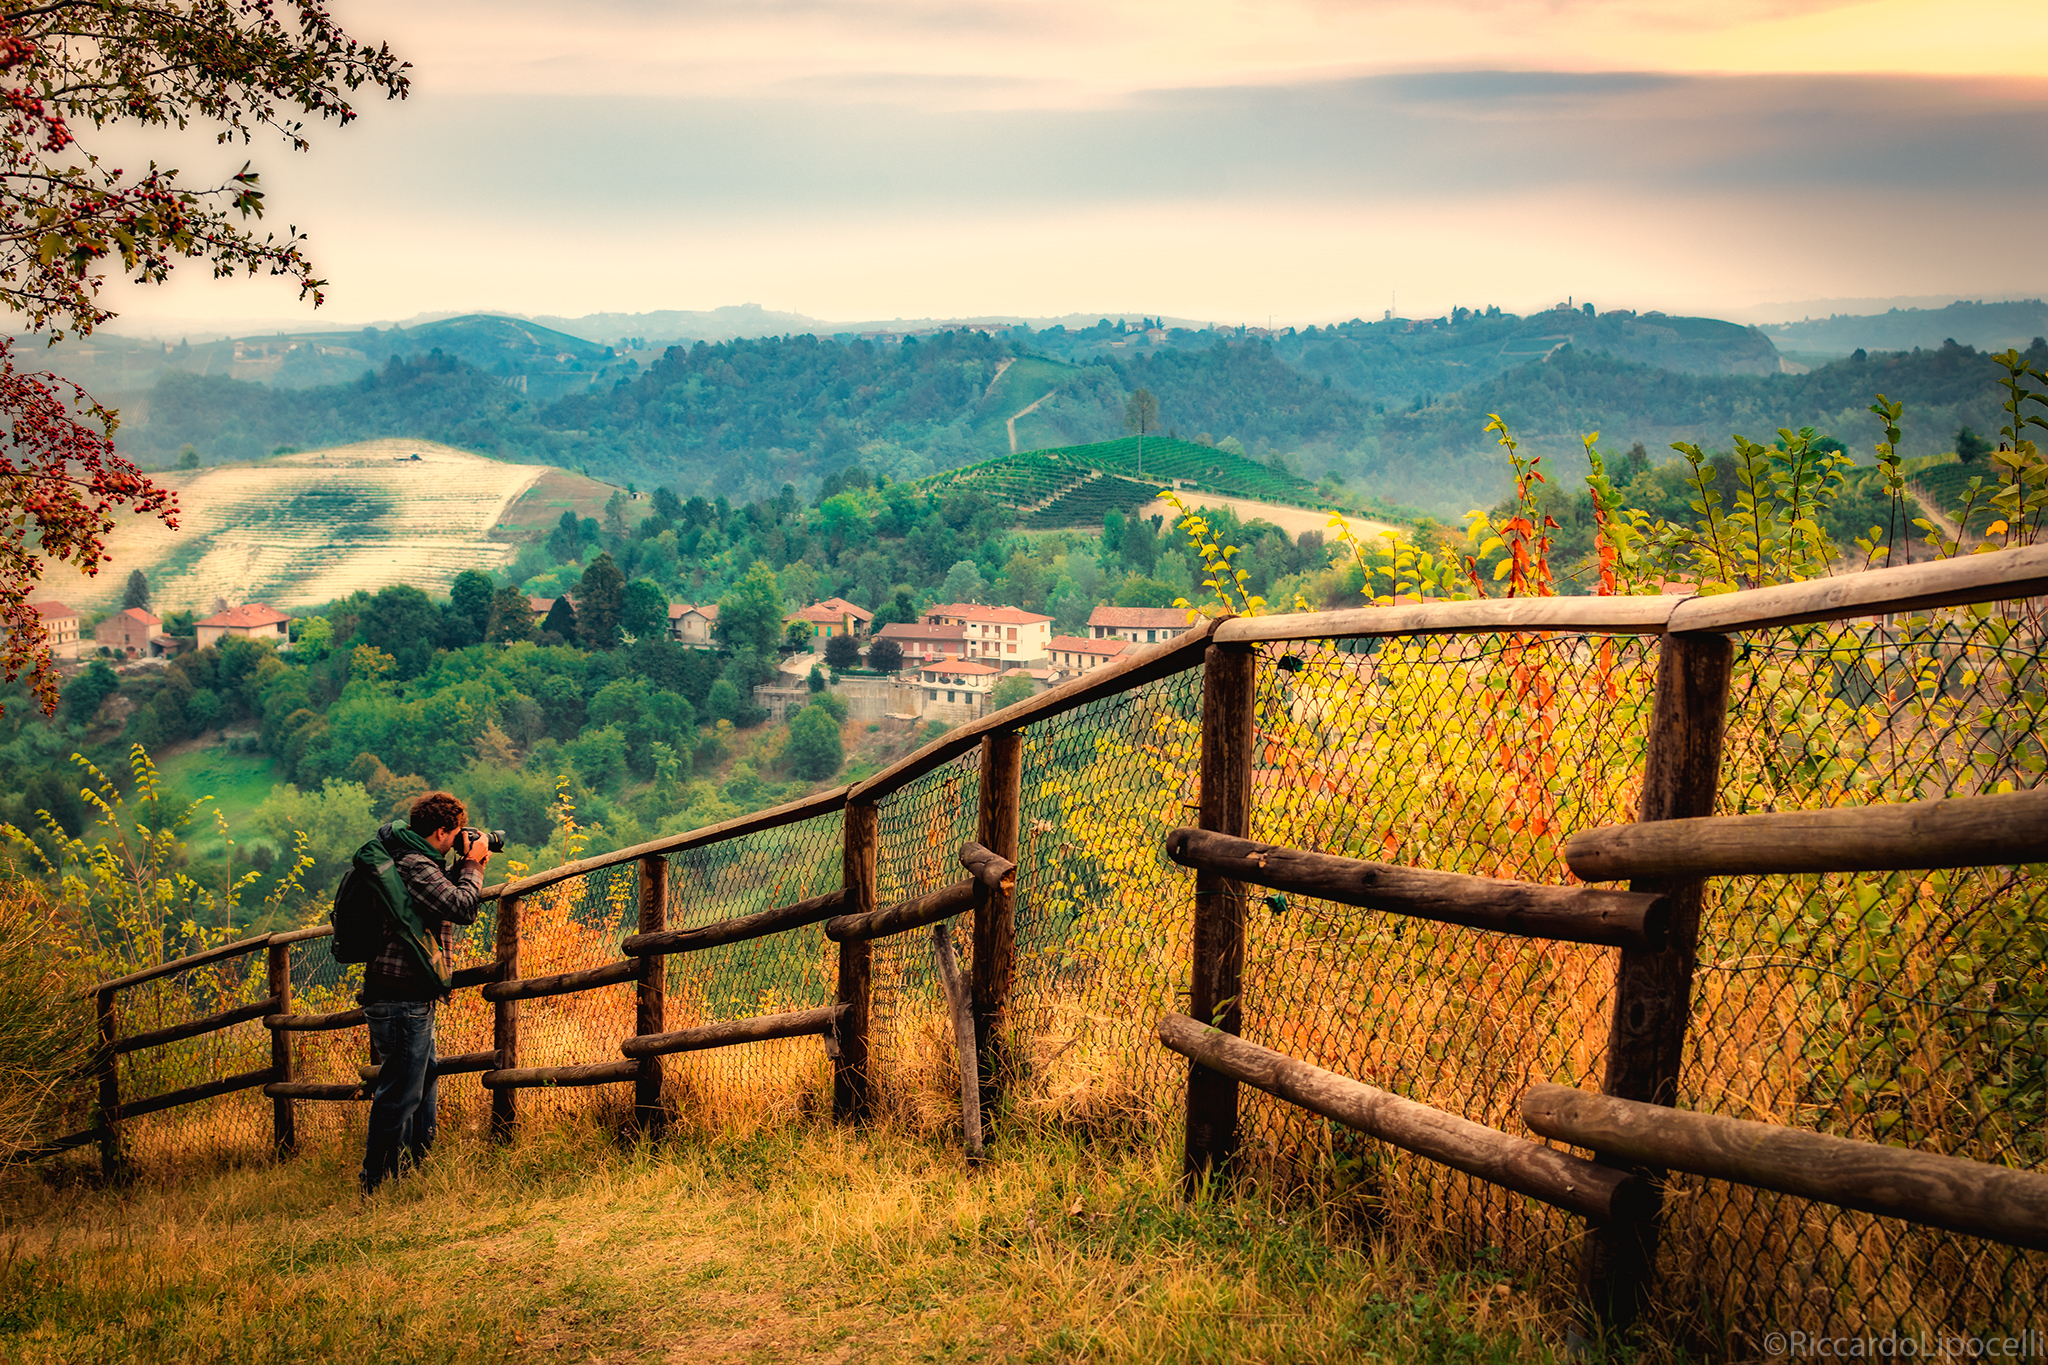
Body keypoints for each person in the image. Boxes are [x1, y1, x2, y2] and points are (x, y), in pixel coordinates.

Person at [355, 790, 491, 1194]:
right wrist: (472, 865)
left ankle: (414, 1168)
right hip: (402, 998)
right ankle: (377, 1182)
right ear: (440, 831)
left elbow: (433, 903)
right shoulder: (414, 864)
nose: (458, 840)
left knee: (421, 1080)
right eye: (455, 834)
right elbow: (463, 907)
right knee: (400, 1092)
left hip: (402, 996)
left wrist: (460, 862)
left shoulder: (410, 859)